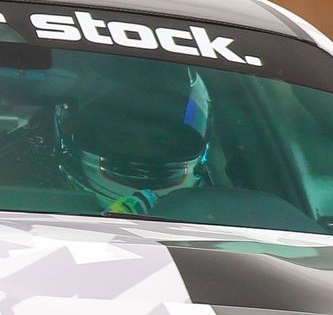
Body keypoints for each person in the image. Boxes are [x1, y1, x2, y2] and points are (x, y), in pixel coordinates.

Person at [53, 66, 213, 216]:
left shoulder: (214, 211)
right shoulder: (33, 191)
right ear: (89, 137)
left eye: (158, 143)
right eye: (122, 140)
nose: (142, 151)